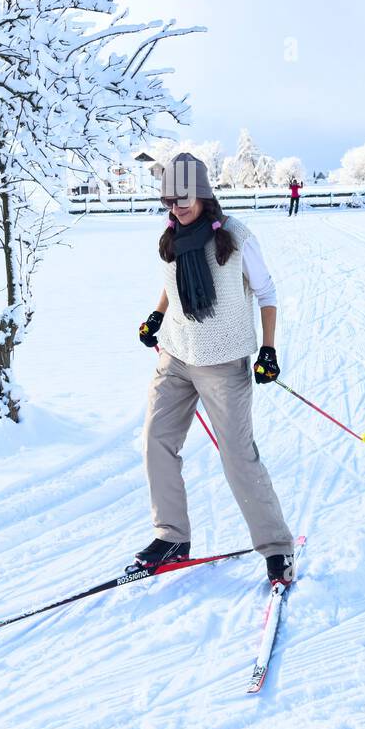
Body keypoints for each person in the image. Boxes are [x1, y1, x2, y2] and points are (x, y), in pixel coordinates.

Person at [134, 152, 295, 585]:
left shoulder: (236, 237)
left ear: (203, 193)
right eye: (169, 199)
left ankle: (277, 546)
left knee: (238, 457)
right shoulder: (170, 235)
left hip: (223, 362)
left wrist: (268, 349)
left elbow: (266, 292)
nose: (176, 207)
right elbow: (172, 284)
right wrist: (156, 316)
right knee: (156, 441)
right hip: (176, 355)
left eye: (183, 197)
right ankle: (171, 538)